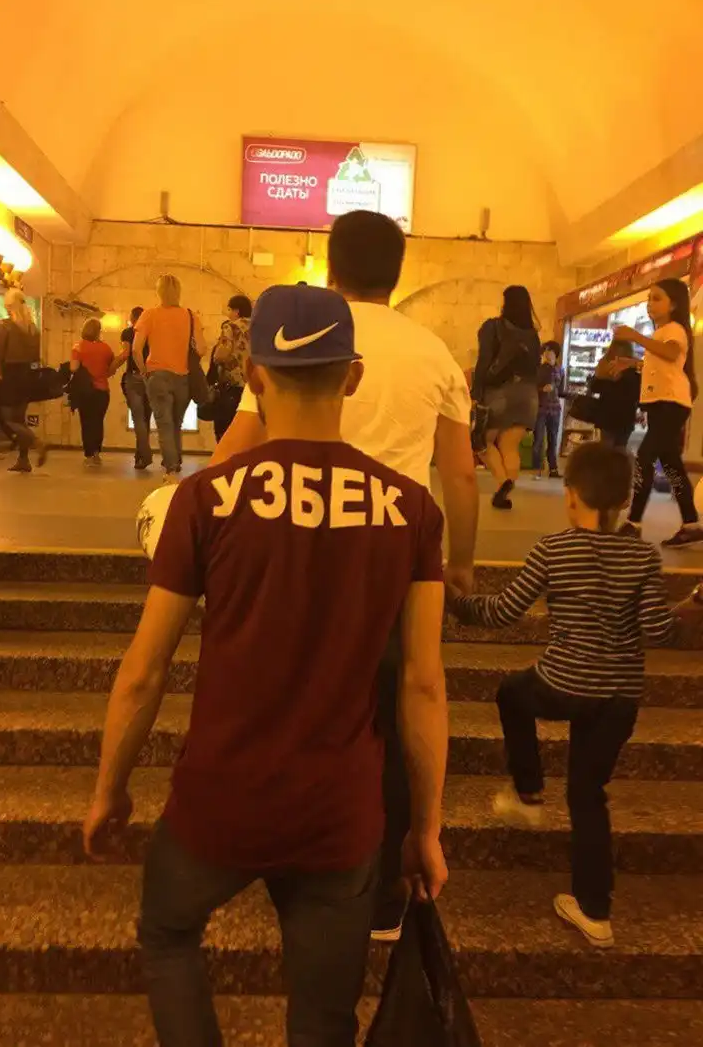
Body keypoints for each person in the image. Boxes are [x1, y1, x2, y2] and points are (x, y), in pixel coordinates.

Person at [83, 285, 449, 1047]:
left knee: (168, 930)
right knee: (323, 1018)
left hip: (220, 802)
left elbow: (145, 669)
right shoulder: (412, 509)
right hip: (338, 816)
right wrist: (426, 825)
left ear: (253, 376)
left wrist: (109, 788)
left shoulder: (205, 500)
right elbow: (421, 682)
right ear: (352, 377)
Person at [207, 210, 477, 940]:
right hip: (395, 561)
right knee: (393, 711)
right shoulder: (433, 353)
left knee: (296, 707)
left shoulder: (301, 338)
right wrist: (459, 563)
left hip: (295, 552)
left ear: (330, 267)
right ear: (398, 271)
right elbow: (460, 473)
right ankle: (383, 896)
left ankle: (289, 871)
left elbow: (234, 450)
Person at [448, 442, 674, 949]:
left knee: (512, 694)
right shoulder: (643, 556)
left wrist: (456, 602)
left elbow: (503, 612)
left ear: (571, 497)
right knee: (587, 795)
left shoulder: (553, 549)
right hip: (618, 697)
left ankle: (528, 793)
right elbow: (657, 629)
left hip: (562, 683)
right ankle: (595, 912)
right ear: (624, 500)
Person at [617, 279, 703, 548]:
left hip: (671, 404)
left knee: (644, 457)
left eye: (657, 298)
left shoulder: (674, 329)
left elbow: (670, 353)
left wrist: (635, 337)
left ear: (673, 304)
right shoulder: (661, 331)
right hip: (660, 404)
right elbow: (660, 363)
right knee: (671, 465)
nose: (650, 304)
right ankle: (691, 524)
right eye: (649, 298)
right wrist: (632, 363)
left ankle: (633, 523)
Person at [473, 286, 541, 509]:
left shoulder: (493, 327)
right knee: (509, 446)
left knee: (482, 442)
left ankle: (503, 482)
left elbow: (484, 361)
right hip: (528, 396)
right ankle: (505, 490)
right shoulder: (533, 335)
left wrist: (476, 393)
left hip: (500, 393)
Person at [134, 274, 199, 482]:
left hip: (158, 376)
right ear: (178, 291)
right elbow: (202, 348)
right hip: (183, 378)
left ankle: (171, 469)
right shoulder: (190, 315)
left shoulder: (149, 314)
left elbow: (136, 349)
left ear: (159, 291)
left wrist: (144, 371)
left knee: (164, 425)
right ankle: (175, 462)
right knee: (176, 423)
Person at [0, 289, 46, 473]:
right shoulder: (32, 328)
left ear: (9, 306)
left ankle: (36, 442)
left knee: (6, 417)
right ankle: (23, 460)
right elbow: (35, 357)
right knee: (19, 418)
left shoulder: (4, 326)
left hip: (10, 374)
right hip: (27, 375)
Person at [70, 317, 124, 467]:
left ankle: (88, 456)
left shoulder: (78, 346)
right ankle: (96, 454)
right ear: (98, 331)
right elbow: (112, 366)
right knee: (98, 422)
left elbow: (73, 368)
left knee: (86, 422)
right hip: (102, 392)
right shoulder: (106, 348)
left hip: (85, 391)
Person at [209, 294, 251, 441]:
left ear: (236, 311)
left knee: (225, 429)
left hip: (232, 384)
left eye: (229, 310)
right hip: (252, 385)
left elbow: (220, 355)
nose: (228, 314)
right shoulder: (258, 327)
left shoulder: (231, 327)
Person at [589, 338, 641, 450]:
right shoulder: (635, 368)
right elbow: (638, 393)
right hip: (626, 416)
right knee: (620, 450)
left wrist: (607, 378)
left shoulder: (605, 365)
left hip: (607, 415)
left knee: (606, 450)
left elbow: (594, 387)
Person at [121, 306, 153, 470]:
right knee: (146, 417)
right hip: (151, 377)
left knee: (138, 418)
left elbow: (126, 353)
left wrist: (111, 367)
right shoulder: (152, 333)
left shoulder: (128, 332)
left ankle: (144, 455)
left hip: (134, 377)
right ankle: (140, 456)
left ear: (133, 318)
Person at [531, 340, 565, 479]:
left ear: (555, 353)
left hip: (555, 409)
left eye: (549, 350)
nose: (547, 353)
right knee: (538, 440)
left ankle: (553, 469)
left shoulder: (560, 370)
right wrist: (542, 389)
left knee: (553, 440)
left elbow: (561, 391)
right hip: (540, 409)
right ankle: (537, 470)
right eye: (545, 351)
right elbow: (532, 389)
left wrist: (575, 396)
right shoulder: (538, 369)